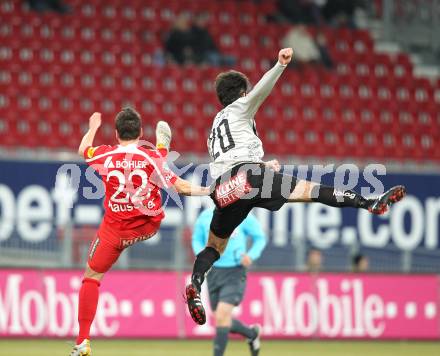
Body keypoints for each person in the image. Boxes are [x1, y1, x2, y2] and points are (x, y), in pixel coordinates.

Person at [184, 48, 406, 325]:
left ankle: (195, 283)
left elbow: (230, 164)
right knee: (312, 190)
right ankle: (368, 202)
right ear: (241, 93)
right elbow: (260, 93)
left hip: (224, 188)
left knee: (215, 246)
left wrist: (262, 169)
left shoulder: (215, 126)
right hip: (250, 176)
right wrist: (279, 65)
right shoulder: (241, 106)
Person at [70, 109, 209, 356]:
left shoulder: (105, 154)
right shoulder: (149, 158)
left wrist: (92, 127)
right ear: (141, 132)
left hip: (113, 232)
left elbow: (83, 150)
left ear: (115, 133)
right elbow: (183, 188)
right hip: (147, 226)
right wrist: (212, 191)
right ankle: (163, 148)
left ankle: (82, 342)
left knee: (91, 278)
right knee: (157, 161)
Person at [192, 208, 267, 356]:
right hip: (213, 271)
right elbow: (196, 239)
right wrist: (202, 258)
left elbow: (260, 238)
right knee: (221, 318)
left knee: (222, 315)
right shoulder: (205, 216)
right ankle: (252, 334)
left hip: (235, 270)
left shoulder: (242, 214)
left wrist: (251, 255)